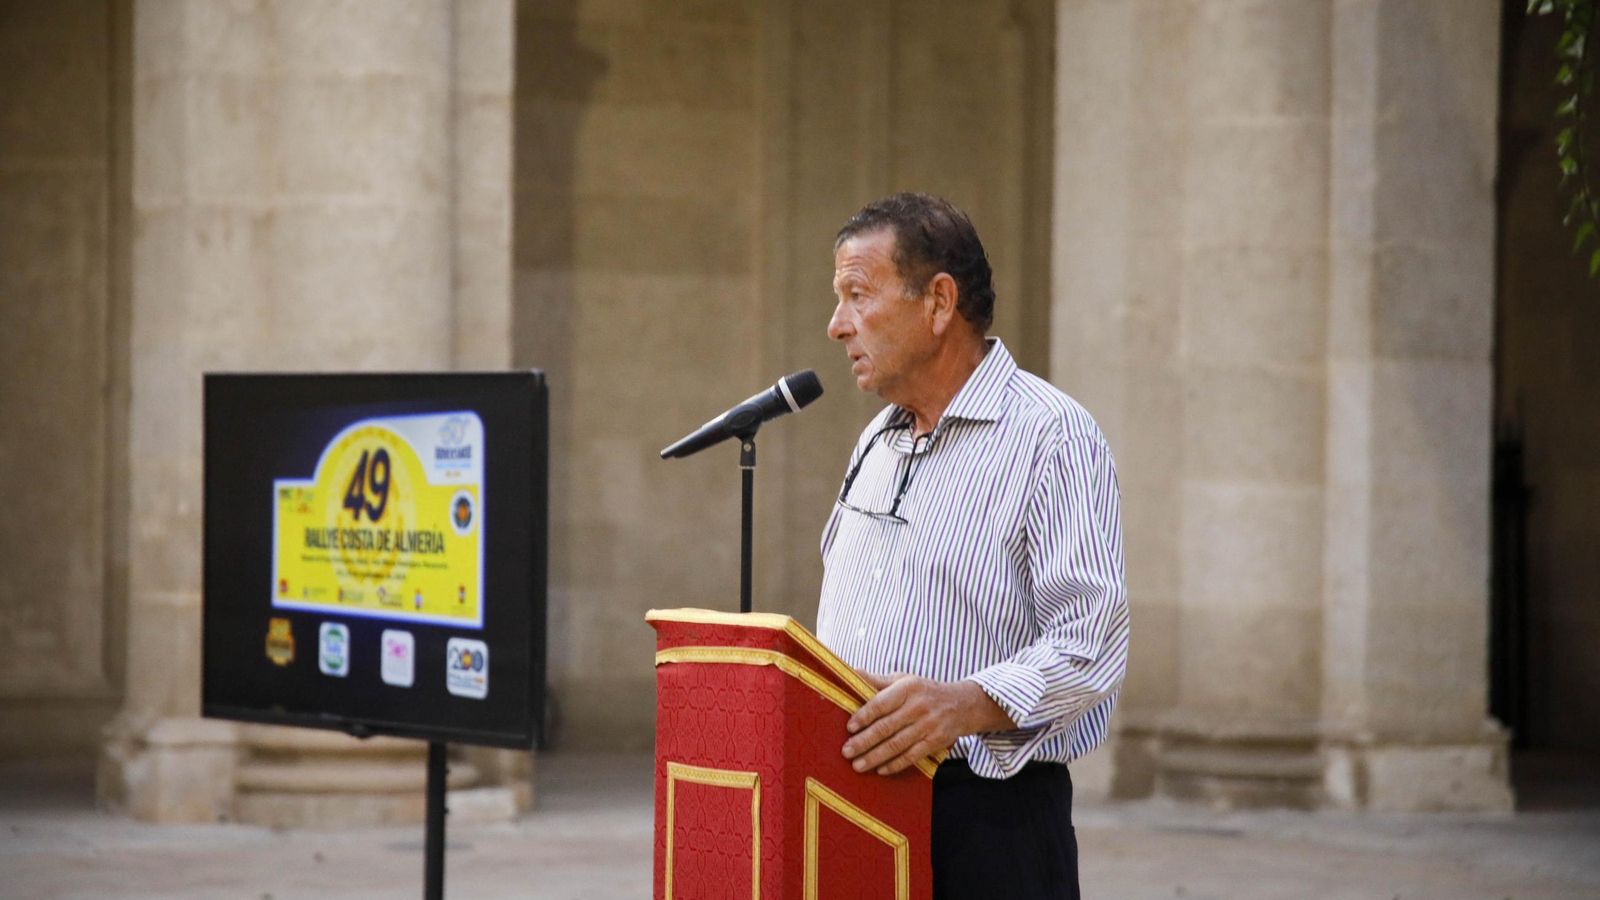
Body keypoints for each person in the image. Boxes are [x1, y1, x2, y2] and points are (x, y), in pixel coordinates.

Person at [817, 193, 1129, 899]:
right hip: (857, 808)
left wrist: (965, 703)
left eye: (856, 295)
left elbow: (1093, 643)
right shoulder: (878, 438)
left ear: (938, 302)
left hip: (987, 824)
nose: (837, 326)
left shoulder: (1052, 435)